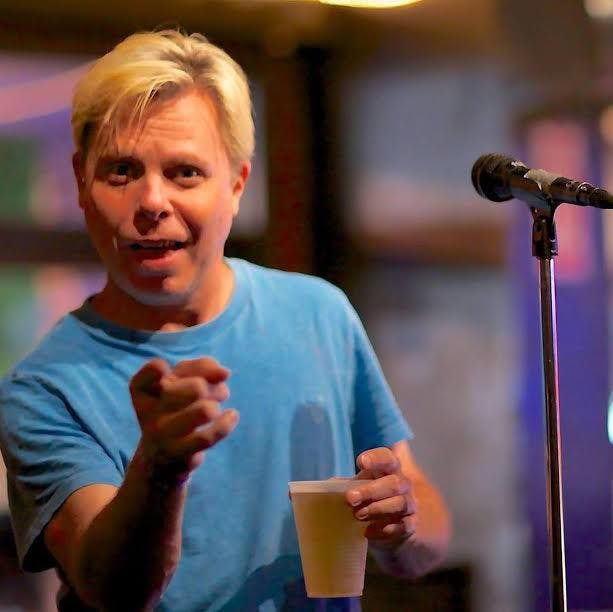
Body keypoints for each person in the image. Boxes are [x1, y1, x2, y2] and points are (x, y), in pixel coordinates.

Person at [0, 30, 451, 611]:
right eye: (121, 170)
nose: (152, 201)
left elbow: (426, 532)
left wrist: (403, 521)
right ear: (82, 183)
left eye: (185, 172)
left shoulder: (319, 313)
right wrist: (160, 466)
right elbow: (113, 591)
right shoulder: (44, 388)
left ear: (237, 184)